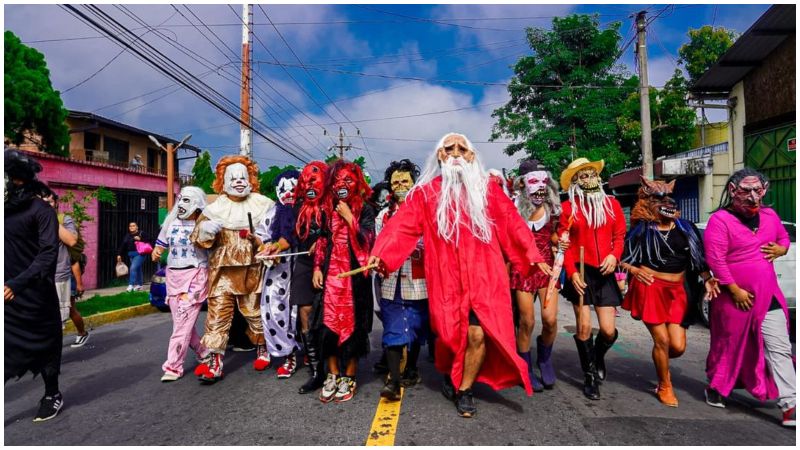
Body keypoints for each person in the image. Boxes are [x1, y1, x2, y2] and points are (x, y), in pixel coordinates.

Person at [369, 133, 547, 418]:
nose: (454, 153)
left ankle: (465, 389)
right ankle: (454, 375)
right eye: (448, 148)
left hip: (484, 277)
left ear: (471, 156)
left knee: (477, 335)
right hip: (446, 280)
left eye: (461, 148)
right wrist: (382, 253)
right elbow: (401, 228)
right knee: (452, 336)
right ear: (440, 156)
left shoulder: (487, 189)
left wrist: (532, 256)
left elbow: (512, 224)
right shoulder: (426, 194)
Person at [703, 168, 795, 427]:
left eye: (759, 190)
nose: (754, 197)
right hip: (734, 298)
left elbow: (783, 238)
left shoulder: (770, 216)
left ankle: (790, 404)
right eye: (747, 191)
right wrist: (734, 290)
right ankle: (718, 387)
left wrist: (782, 248)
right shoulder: (720, 220)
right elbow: (715, 259)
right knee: (729, 346)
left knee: (779, 347)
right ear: (733, 191)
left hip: (768, 295)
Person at [619, 177, 718, 407]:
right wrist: (634, 269)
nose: (667, 201)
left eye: (668, 197)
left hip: (677, 290)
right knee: (661, 340)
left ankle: (659, 359)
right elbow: (622, 259)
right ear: (647, 201)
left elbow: (698, 260)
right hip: (650, 287)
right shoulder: (642, 230)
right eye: (659, 198)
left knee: (677, 346)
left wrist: (708, 279)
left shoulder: (686, 228)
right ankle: (665, 385)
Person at [190, 155, 273, 383]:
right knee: (217, 317)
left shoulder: (263, 204)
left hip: (252, 270)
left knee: (255, 313)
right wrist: (206, 229)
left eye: (242, 177)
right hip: (221, 273)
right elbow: (196, 238)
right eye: (232, 177)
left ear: (250, 179)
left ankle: (263, 349)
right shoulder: (215, 208)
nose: (238, 181)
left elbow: (275, 233)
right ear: (223, 181)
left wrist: (267, 246)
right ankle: (214, 363)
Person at [557, 157, 627, 400]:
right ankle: (589, 377)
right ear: (576, 181)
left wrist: (614, 255)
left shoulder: (612, 205)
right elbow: (563, 245)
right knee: (584, 327)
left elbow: (619, 236)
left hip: (605, 270)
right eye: (583, 176)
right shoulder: (568, 208)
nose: (589, 179)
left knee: (608, 331)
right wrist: (572, 272)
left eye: (592, 174)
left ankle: (597, 358)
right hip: (581, 270)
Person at [4, 150, 64, 422]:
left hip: (35, 296)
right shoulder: (5, 212)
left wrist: (18, 283)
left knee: (46, 348)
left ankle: (52, 394)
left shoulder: (42, 211)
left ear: (15, 179)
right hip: (7, 299)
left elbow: (48, 254)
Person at [312, 160, 376, 403]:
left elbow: (369, 241)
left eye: (348, 180)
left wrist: (350, 218)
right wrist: (317, 267)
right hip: (330, 276)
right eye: (338, 181)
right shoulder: (326, 208)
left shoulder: (366, 209)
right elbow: (322, 240)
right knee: (326, 325)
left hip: (354, 277)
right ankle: (333, 374)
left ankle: (349, 375)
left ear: (356, 182)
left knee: (354, 325)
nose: (342, 185)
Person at [375, 159, 429, 401]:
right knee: (394, 326)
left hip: (418, 280)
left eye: (404, 181)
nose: (399, 185)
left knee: (416, 327)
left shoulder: (425, 211)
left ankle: (412, 368)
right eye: (395, 181)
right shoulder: (383, 216)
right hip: (390, 280)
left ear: (413, 183)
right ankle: (394, 381)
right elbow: (379, 245)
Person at [510, 159, 562, 392]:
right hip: (523, 270)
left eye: (544, 181)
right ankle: (525, 367)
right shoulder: (512, 209)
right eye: (534, 181)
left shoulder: (554, 209)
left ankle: (544, 358)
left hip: (548, 270)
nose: (540, 186)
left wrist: (560, 242)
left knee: (550, 320)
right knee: (527, 321)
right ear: (522, 184)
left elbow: (556, 237)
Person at [153, 186, 211, 382]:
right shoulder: (170, 223)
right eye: (181, 199)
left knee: (183, 322)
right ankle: (204, 352)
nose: (182, 204)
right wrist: (157, 251)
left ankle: (173, 365)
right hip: (173, 277)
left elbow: (213, 249)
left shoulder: (204, 224)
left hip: (195, 276)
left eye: (188, 200)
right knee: (181, 323)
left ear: (197, 205)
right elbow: (161, 243)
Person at [256, 169, 302, 378]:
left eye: (293, 188)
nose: (288, 193)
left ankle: (307, 350)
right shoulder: (271, 214)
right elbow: (262, 238)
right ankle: (288, 353)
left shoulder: (307, 211)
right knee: (274, 311)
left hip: (303, 270)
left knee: (304, 314)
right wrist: (263, 247)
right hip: (276, 274)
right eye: (283, 189)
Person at [291, 161, 330, 394]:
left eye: (315, 181)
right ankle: (317, 370)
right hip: (305, 262)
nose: (310, 185)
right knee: (304, 311)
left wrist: (324, 241)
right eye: (306, 182)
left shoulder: (332, 204)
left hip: (331, 262)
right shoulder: (297, 206)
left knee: (328, 313)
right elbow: (288, 234)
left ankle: (335, 364)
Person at [116, 222, 149, 292]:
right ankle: (140, 285)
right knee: (138, 269)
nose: (132, 227)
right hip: (131, 255)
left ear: (137, 227)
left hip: (140, 254)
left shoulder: (141, 233)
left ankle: (131, 284)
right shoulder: (127, 235)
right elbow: (123, 245)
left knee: (133, 268)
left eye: (133, 226)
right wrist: (119, 254)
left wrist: (140, 239)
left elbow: (150, 240)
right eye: (130, 226)